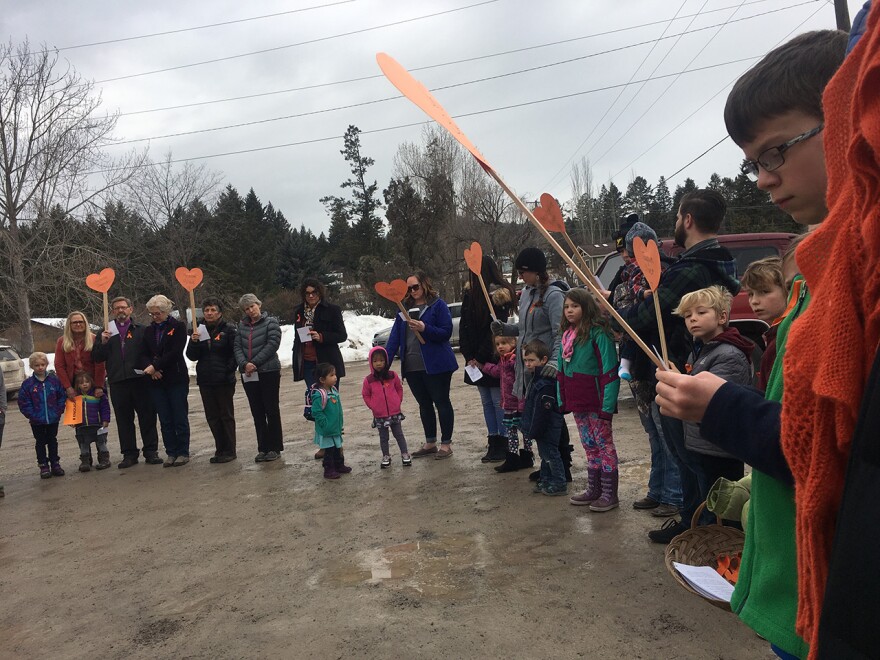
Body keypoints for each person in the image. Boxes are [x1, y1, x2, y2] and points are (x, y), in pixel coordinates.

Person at [654, 29, 848, 659]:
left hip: (832, 598)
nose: (763, 180)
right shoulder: (826, 267)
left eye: (776, 152)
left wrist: (721, 407)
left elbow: (828, 447)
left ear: (849, 114)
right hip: (797, 585)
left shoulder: (855, 281)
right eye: (752, 163)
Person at [616, 190, 740, 544]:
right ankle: (693, 519)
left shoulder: (692, 269)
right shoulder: (719, 261)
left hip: (684, 366)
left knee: (691, 454)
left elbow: (646, 315)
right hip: (686, 361)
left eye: (676, 217)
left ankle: (703, 526)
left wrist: (616, 317)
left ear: (687, 219)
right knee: (689, 452)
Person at [492, 247, 574, 481]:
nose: (520, 276)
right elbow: (525, 329)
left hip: (546, 366)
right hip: (528, 367)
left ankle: (563, 465)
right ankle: (549, 465)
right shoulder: (527, 293)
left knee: (552, 418)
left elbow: (561, 332)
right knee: (539, 418)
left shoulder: (554, 295)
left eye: (524, 271)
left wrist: (556, 362)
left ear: (537, 271)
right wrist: (505, 329)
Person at [674, 286, 752, 515]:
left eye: (700, 312)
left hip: (719, 448)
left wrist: (678, 382)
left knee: (722, 507)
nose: (693, 319)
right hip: (704, 444)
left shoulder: (728, 354)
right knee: (708, 502)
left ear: (722, 317)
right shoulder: (703, 350)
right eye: (688, 316)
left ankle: (723, 545)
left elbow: (711, 401)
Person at [557, 288, 621, 511]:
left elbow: (609, 369)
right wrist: (562, 398)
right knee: (589, 444)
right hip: (578, 401)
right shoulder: (566, 336)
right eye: (566, 307)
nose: (570, 311)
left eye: (575, 306)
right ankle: (594, 488)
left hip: (596, 401)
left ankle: (609, 493)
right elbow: (561, 370)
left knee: (604, 445)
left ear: (586, 307)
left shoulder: (598, 333)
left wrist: (608, 404)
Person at [385, 272, 458, 459]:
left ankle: (446, 444)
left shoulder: (437, 305)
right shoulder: (404, 308)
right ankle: (430, 442)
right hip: (412, 365)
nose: (412, 291)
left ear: (424, 285)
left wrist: (424, 328)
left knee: (442, 402)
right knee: (424, 405)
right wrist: (385, 361)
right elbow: (394, 337)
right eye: (409, 288)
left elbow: (445, 332)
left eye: (415, 287)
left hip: (437, 365)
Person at [459, 254, 516, 465]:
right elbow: (464, 325)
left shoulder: (498, 296)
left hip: (491, 355)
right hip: (473, 357)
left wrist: (481, 356)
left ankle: (504, 440)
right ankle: (493, 439)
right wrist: (468, 355)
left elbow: (493, 331)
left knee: (496, 400)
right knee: (486, 402)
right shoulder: (469, 294)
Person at [93, 296, 161, 468]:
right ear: (113, 311)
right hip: (118, 381)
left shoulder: (141, 330)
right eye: (116, 308)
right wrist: (103, 343)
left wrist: (152, 368)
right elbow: (97, 357)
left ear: (130, 309)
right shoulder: (105, 331)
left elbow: (152, 352)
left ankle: (151, 451)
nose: (120, 310)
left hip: (140, 380)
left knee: (147, 417)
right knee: (124, 420)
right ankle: (129, 454)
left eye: (123, 307)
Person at [291, 278, 348, 460]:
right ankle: (324, 445)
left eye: (314, 292)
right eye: (307, 293)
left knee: (332, 406)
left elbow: (342, 335)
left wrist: (321, 336)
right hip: (308, 364)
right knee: (317, 407)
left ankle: (337, 446)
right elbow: (296, 337)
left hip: (327, 364)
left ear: (320, 292)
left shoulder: (332, 310)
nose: (310, 296)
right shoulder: (299, 312)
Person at [187, 297, 238, 463]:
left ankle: (230, 450)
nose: (209, 313)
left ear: (220, 312)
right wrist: (193, 342)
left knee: (226, 415)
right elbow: (191, 356)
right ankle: (220, 448)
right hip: (205, 379)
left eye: (213, 310)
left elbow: (235, 353)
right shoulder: (198, 329)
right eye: (207, 310)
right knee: (212, 417)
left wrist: (227, 370)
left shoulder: (228, 329)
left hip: (223, 380)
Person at [233, 293, 284, 463]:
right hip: (249, 374)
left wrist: (254, 363)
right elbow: (237, 347)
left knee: (271, 409)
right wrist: (244, 364)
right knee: (257, 412)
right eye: (246, 308)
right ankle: (263, 447)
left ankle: (275, 447)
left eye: (252, 306)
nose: (250, 310)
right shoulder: (241, 326)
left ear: (258, 305)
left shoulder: (271, 322)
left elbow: (272, 344)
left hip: (268, 371)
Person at [142, 295, 191, 467]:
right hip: (156, 381)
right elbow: (143, 353)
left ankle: (183, 451)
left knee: (179, 416)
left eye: (158, 313)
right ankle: (171, 452)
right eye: (152, 314)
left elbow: (175, 352)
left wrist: (155, 365)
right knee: (165, 419)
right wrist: (151, 368)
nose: (155, 317)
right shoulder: (148, 331)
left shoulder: (178, 327)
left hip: (175, 378)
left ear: (166, 311)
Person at [519, 340, 566, 496]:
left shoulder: (546, 383)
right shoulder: (536, 379)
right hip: (541, 428)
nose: (528, 364)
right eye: (526, 360)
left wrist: (534, 430)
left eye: (531, 360)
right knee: (544, 455)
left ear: (544, 360)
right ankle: (546, 479)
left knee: (551, 455)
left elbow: (543, 412)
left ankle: (559, 483)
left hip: (548, 427)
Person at [479, 335, 532, 473]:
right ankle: (513, 457)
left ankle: (527, 455)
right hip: (508, 404)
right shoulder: (503, 360)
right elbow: (497, 372)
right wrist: (484, 366)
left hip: (518, 403)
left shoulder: (516, 360)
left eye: (503, 343)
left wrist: (522, 402)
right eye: (497, 344)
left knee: (525, 430)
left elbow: (522, 381)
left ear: (514, 342)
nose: (500, 347)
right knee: (511, 431)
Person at [740, 257, 789, 391]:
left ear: (788, 289)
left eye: (764, 292)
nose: (754, 301)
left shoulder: (787, 336)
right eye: (750, 294)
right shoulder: (774, 333)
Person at [18, 352, 67, 479]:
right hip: (36, 420)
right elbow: (24, 401)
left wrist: (58, 410)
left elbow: (61, 396)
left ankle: (55, 463)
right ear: (32, 366)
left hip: (52, 418)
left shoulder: (54, 381)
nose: (40, 367)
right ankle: (43, 465)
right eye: (37, 365)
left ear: (46, 364)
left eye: (42, 364)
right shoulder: (28, 384)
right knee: (40, 442)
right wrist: (32, 415)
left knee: (52, 440)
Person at [362, 346, 411, 468]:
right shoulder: (368, 380)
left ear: (386, 361)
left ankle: (405, 454)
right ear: (371, 362)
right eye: (375, 361)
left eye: (381, 360)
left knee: (399, 434)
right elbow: (365, 394)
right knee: (383, 437)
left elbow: (399, 388)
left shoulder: (392, 375)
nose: (379, 364)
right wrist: (372, 406)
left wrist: (397, 401)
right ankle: (386, 456)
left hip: (394, 412)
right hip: (379, 414)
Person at [54, 311, 106, 400]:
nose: (78, 324)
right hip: (73, 384)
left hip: (93, 383)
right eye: (74, 322)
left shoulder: (94, 339)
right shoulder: (61, 341)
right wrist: (67, 387)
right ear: (69, 325)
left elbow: (100, 364)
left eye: (81, 322)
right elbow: (59, 366)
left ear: (85, 323)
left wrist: (99, 386)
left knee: (96, 411)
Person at [311, 362, 350, 479]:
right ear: (322, 380)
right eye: (332, 375)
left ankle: (339, 465)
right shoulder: (320, 394)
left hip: (335, 427)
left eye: (335, 374)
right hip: (327, 429)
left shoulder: (333, 390)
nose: (335, 377)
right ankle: (328, 469)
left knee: (338, 447)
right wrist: (325, 424)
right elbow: (317, 412)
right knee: (329, 450)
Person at [71, 371, 111, 472]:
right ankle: (85, 461)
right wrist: (72, 421)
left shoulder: (98, 395)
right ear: (77, 385)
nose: (84, 384)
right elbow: (72, 411)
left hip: (98, 425)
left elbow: (105, 408)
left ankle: (104, 459)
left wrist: (105, 420)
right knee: (84, 445)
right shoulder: (75, 398)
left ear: (91, 382)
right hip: (82, 426)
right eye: (81, 383)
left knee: (101, 443)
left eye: (87, 382)